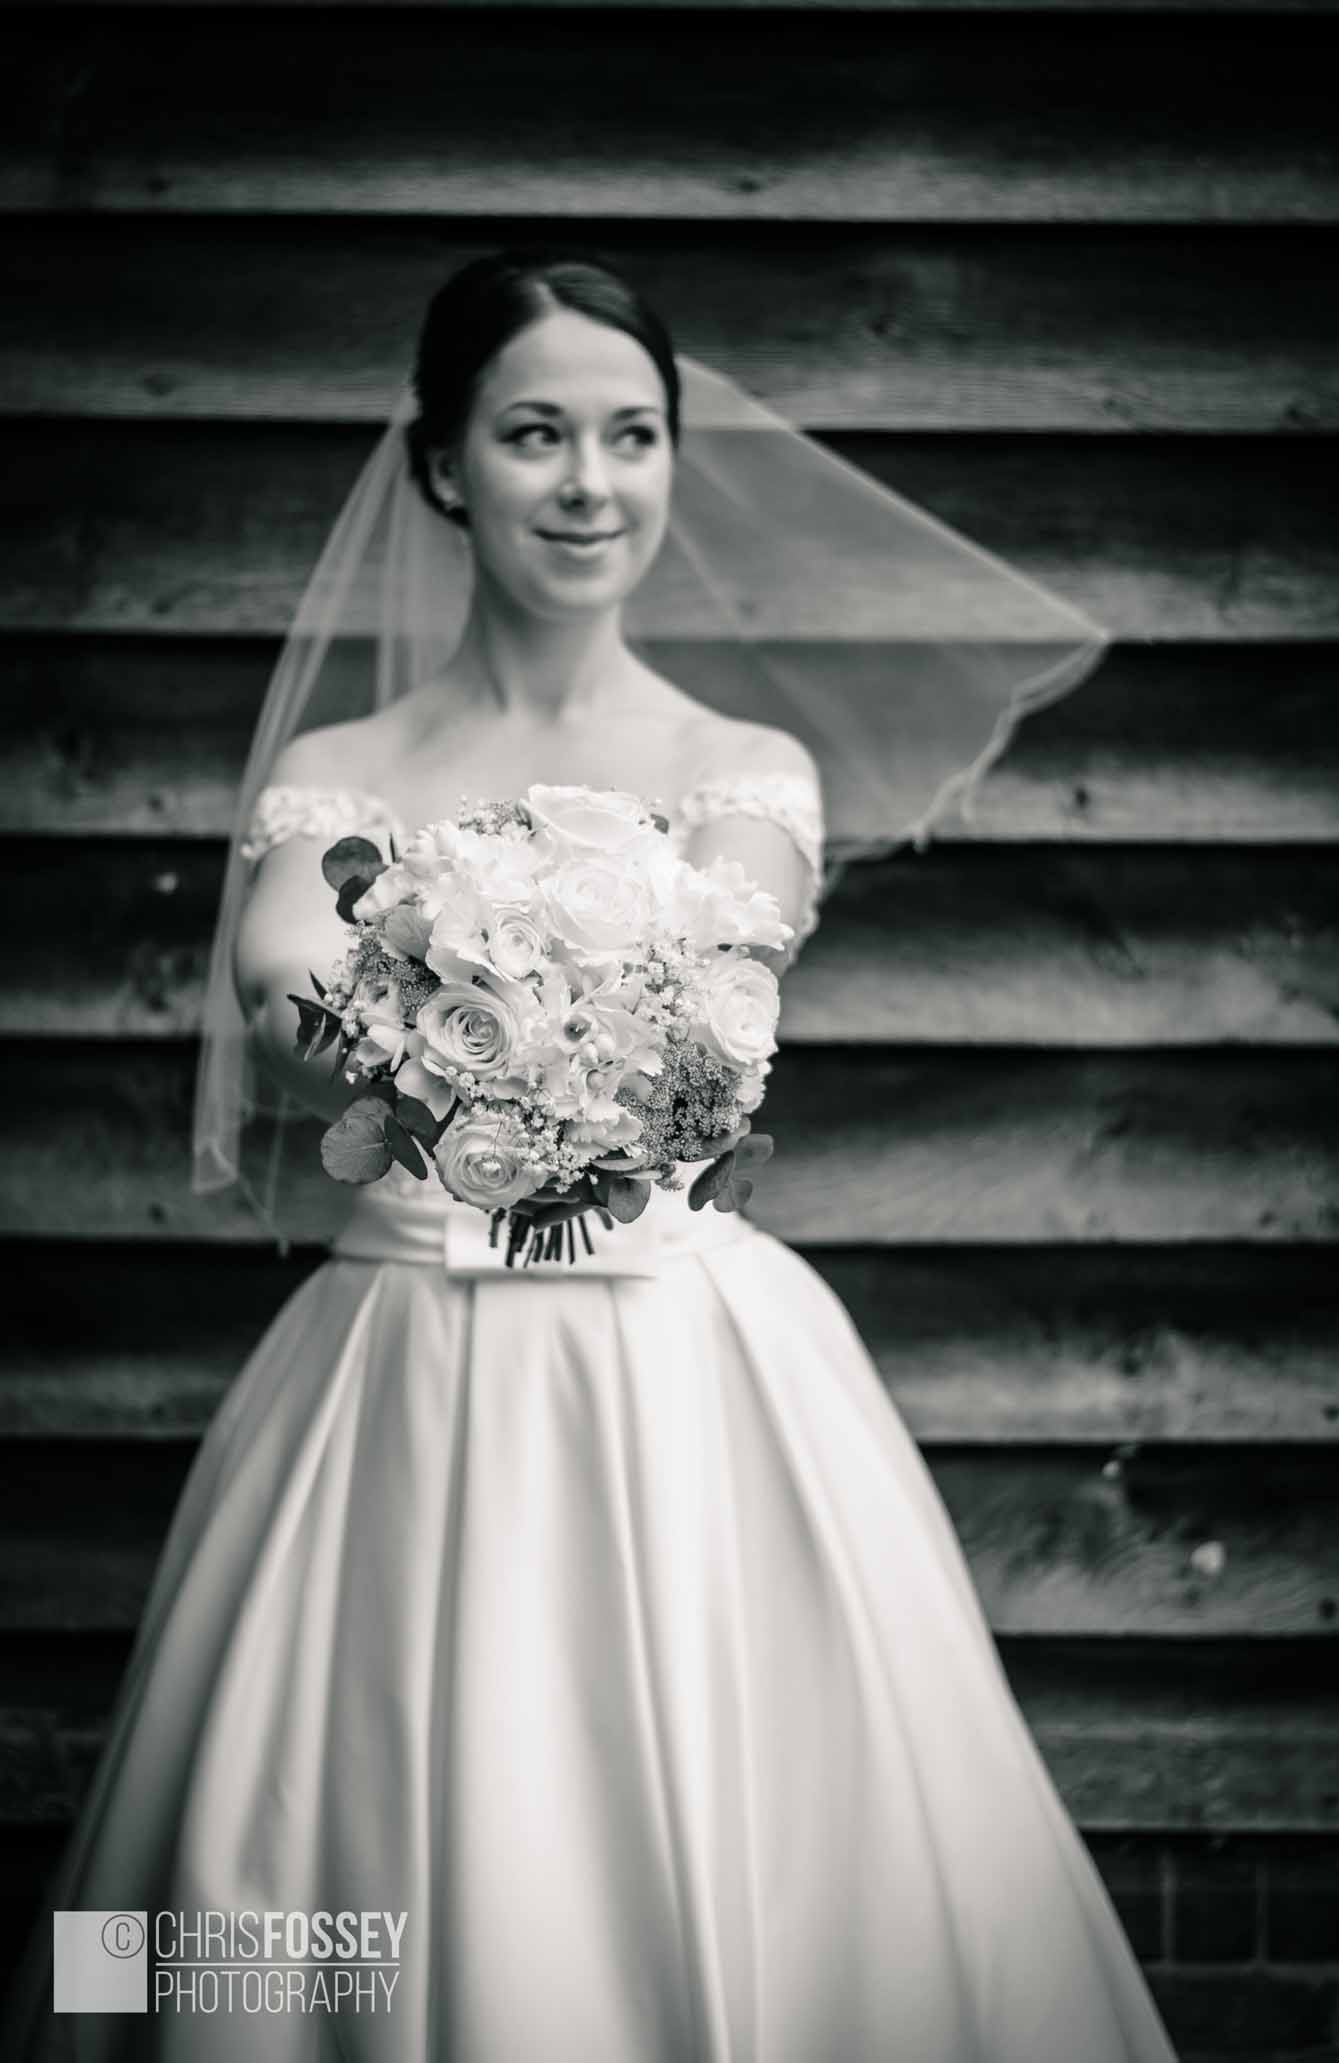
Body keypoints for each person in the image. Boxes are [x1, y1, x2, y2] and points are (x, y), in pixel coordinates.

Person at [2, 249, 1179, 2060]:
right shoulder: (333, 768)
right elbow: (281, 997)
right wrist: (443, 1015)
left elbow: (720, 1004)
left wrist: (481, 1002)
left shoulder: (741, 769)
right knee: (244, 1890)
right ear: (444, 463)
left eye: (632, 436)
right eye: (535, 432)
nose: (589, 483)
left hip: (685, 1373)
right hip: (393, 1365)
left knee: (773, 1835)